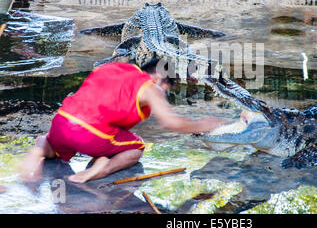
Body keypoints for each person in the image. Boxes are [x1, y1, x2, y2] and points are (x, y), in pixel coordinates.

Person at [19, 58, 223, 183]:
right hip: (90, 134)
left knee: (52, 142)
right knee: (136, 147)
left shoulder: (114, 69)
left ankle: (40, 148)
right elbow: (172, 123)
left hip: (61, 122)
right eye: (166, 90)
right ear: (160, 79)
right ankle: (102, 169)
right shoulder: (151, 87)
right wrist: (203, 124)